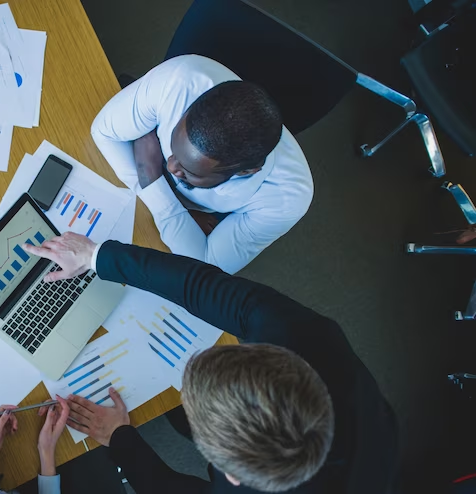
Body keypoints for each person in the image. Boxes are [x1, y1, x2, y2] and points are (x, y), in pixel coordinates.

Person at [22, 234, 398, 493]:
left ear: (230, 475)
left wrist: (120, 441)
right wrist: (96, 256)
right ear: (278, 357)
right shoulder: (306, 335)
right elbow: (203, 286)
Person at [91, 55, 314, 275]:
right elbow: (102, 131)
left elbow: (207, 270)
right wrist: (180, 216)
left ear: (245, 172)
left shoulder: (287, 198)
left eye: (188, 171)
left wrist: (150, 177)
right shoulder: (179, 81)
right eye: (173, 148)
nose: (170, 166)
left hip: (194, 200)